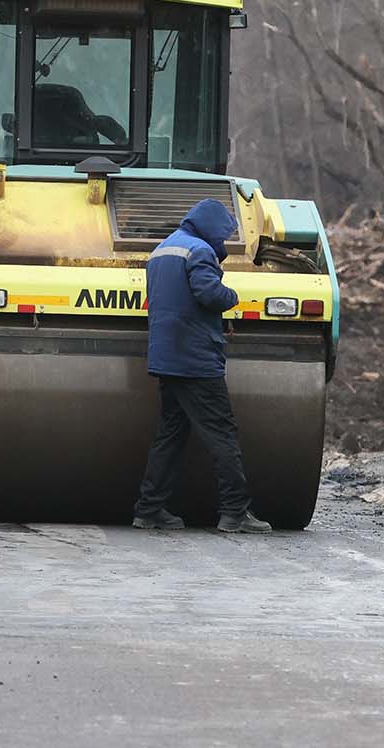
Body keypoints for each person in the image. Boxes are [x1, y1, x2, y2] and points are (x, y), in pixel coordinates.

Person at [132, 197, 271, 534]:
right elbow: (208, 293)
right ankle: (235, 511)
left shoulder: (162, 250)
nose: (223, 241)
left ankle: (149, 510)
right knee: (222, 434)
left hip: (167, 358)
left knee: (170, 435)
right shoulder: (199, 251)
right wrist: (232, 296)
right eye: (223, 234)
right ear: (211, 226)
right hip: (196, 360)